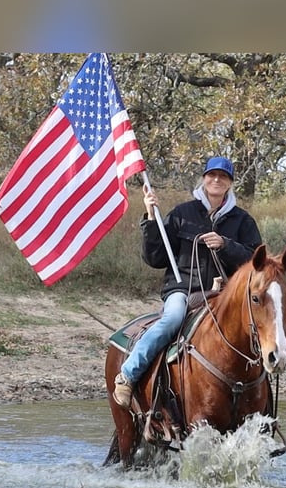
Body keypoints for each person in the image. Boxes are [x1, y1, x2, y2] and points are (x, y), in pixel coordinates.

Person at [112, 156, 263, 409]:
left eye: (223, 177)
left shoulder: (243, 220)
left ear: (230, 184)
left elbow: (255, 260)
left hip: (225, 294)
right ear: (204, 179)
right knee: (172, 320)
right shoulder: (182, 213)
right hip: (183, 289)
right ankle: (127, 375)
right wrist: (150, 217)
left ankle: (261, 402)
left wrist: (226, 245)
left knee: (257, 331)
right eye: (211, 175)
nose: (216, 180)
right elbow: (155, 258)